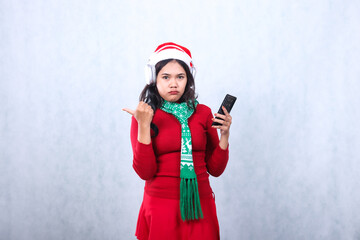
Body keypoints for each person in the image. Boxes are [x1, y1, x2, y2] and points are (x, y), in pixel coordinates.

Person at [123, 42, 232, 240]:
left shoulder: (204, 113)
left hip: (200, 205)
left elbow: (215, 170)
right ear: (153, 79)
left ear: (188, 79)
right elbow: (145, 171)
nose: (173, 84)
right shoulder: (144, 115)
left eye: (180, 77)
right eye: (166, 77)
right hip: (161, 206)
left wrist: (224, 135)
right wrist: (144, 125)